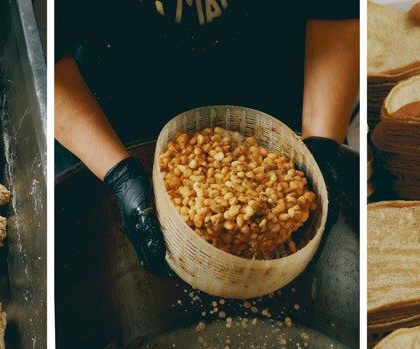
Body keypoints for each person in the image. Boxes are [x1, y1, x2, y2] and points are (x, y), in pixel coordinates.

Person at [54, 1, 359, 277]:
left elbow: (336, 12)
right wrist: (120, 174)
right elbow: (43, 59)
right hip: (104, 124)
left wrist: (320, 145)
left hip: (284, 112)